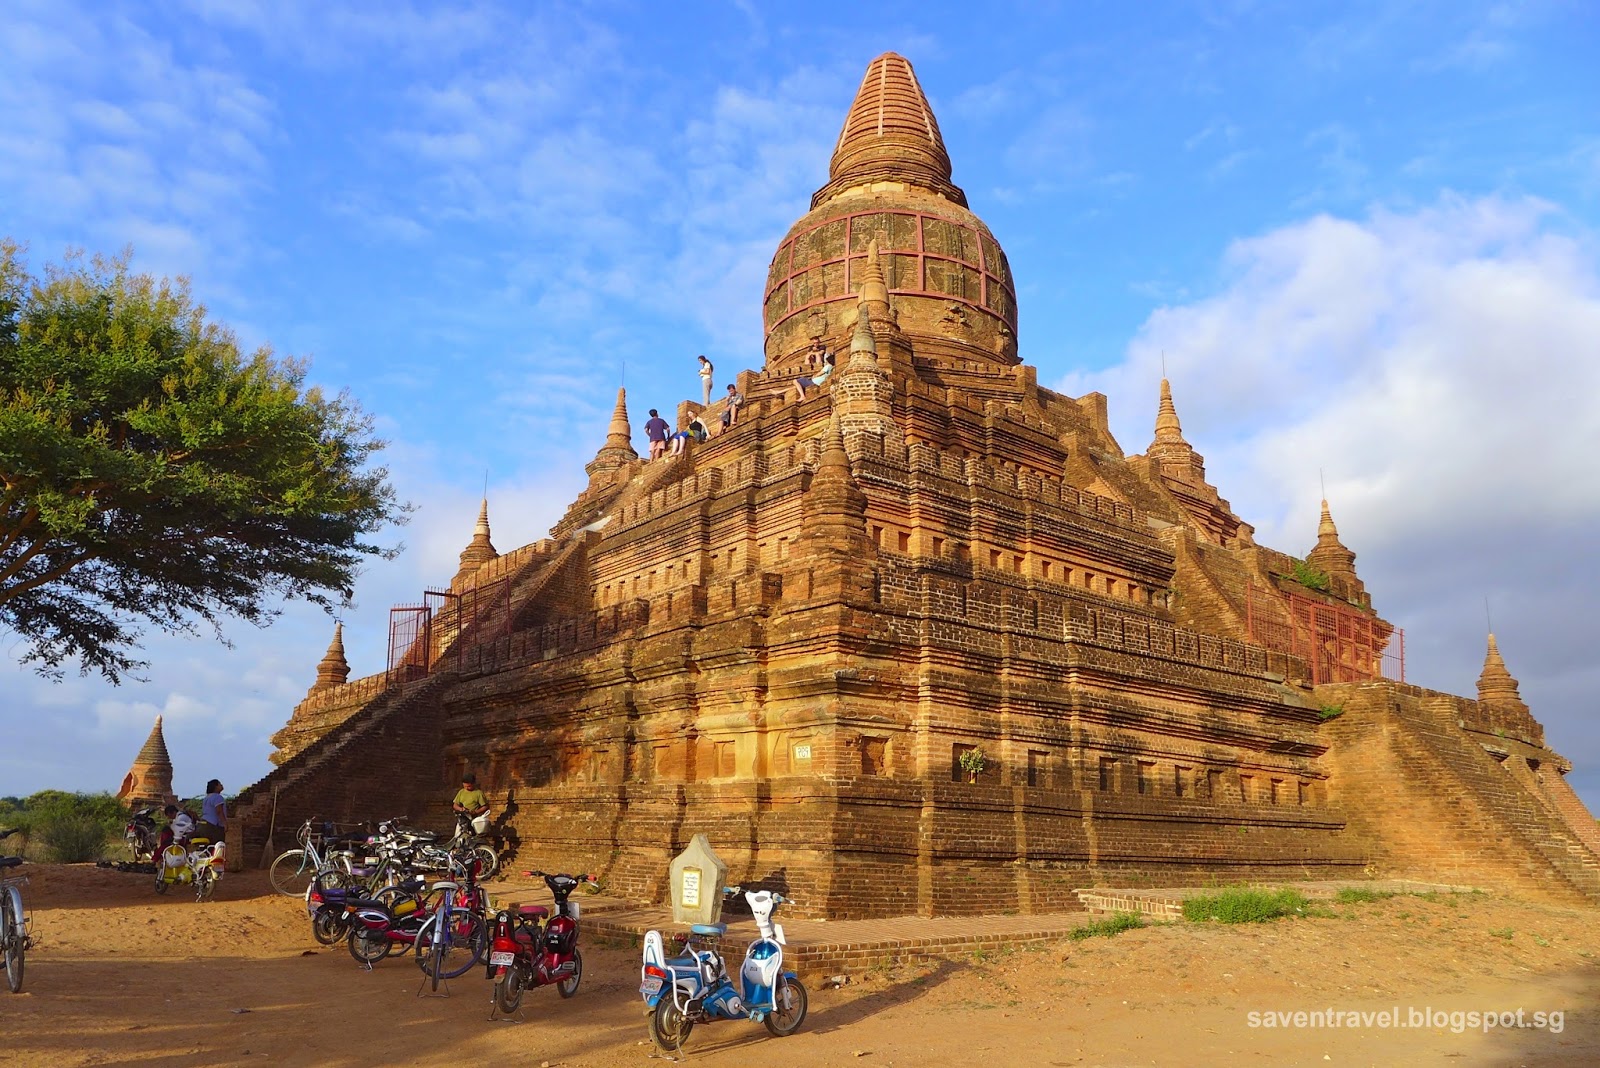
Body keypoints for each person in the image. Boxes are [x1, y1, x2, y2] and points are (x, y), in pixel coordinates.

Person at [198, 779, 227, 843]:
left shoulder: (207, 798)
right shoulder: (218, 797)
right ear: (216, 787)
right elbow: (219, 811)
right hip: (212, 825)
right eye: (220, 784)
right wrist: (225, 824)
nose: (221, 785)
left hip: (203, 824)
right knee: (218, 845)